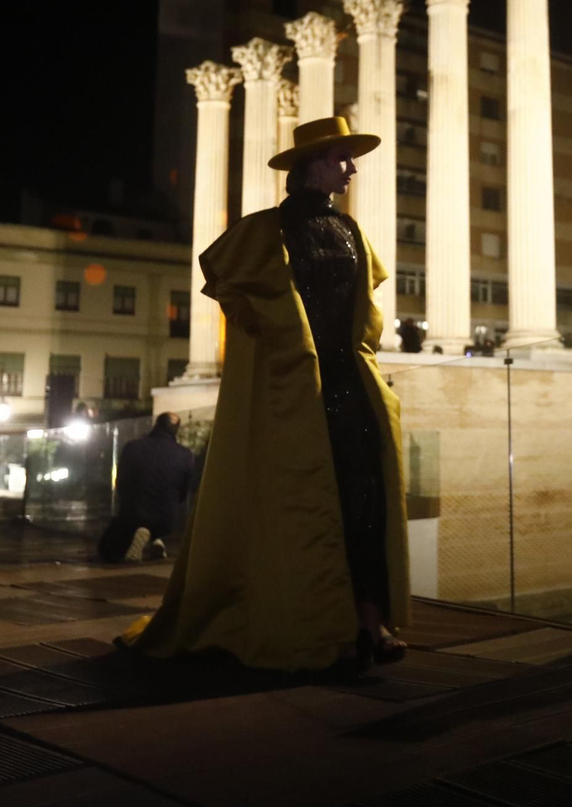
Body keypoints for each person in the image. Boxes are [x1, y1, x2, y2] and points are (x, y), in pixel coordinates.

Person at [122, 116, 410, 673]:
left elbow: (362, 316)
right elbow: (246, 311)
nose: (351, 169)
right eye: (341, 158)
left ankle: (371, 623)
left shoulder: (352, 233)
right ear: (311, 165)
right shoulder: (262, 233)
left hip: (351, 387)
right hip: (292, 393)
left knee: (365, 503)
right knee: (302, 507)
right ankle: (318, 627)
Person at [97, 413, 194, 563]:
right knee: (154, 517)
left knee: (107, 550)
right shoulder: (185, 454)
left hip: (134, 514)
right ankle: (155, 538)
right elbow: (184, 491)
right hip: (167, 518)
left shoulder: (132, 447)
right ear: (176, 430)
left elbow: (121, 482)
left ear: (156, 425)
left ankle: (142, 535)